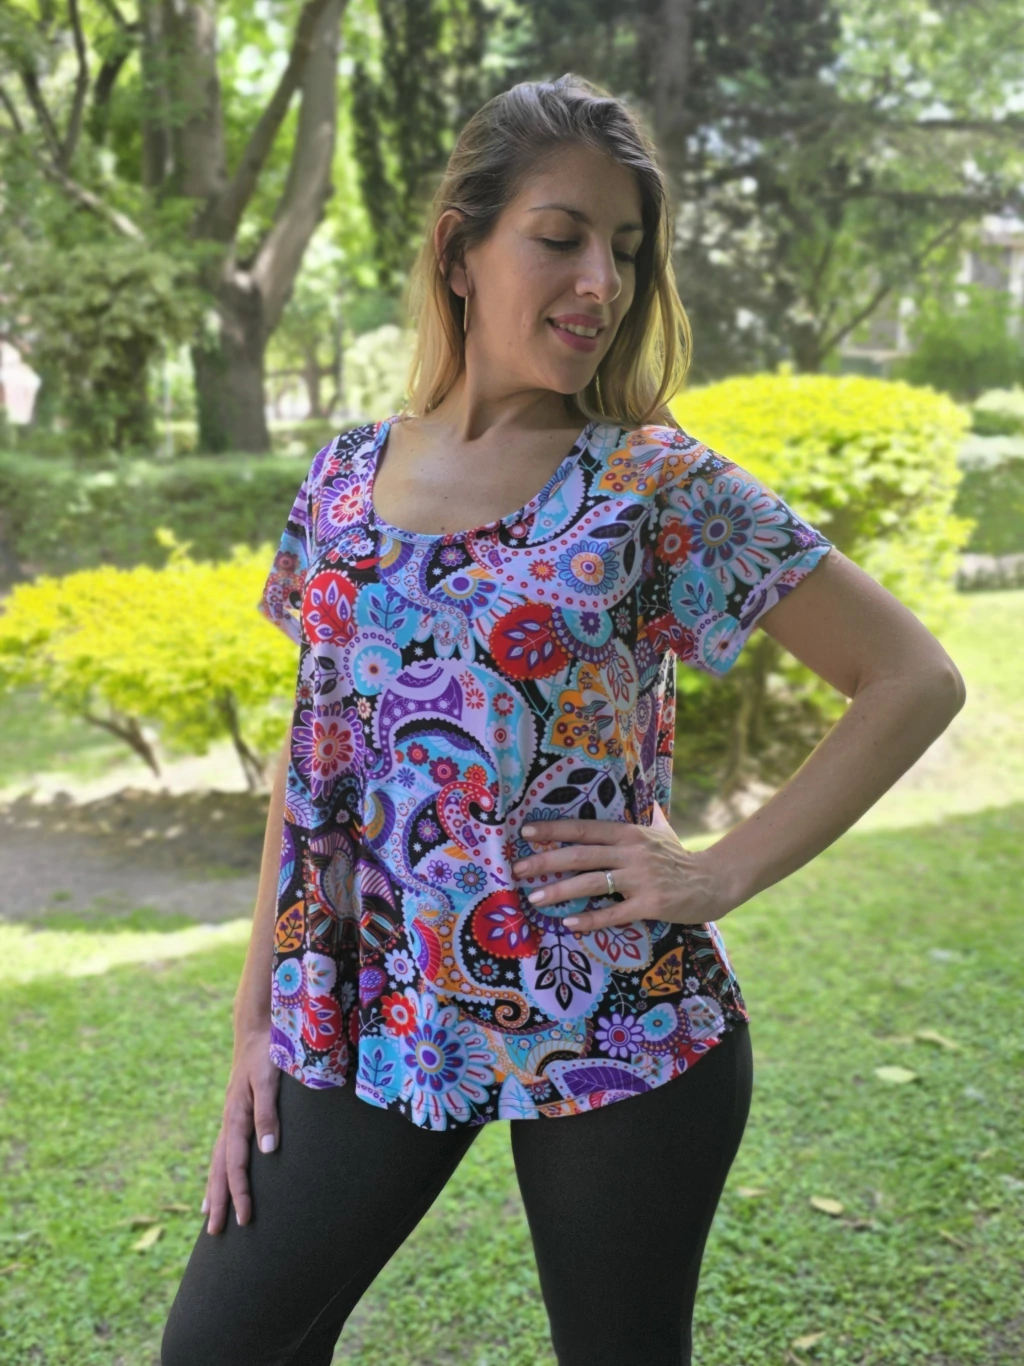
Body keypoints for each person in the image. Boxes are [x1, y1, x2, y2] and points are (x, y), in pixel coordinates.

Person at [161, 73, 966, 1366]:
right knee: (222, 1348)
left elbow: (914, 677)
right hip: (373, 1011)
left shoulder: (653, 478)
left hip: (619, 1021)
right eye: (561, 235)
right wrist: (257, 1021)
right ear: (459, 251)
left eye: (628, 251)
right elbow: (310, 772)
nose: (602, 281)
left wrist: (719, 871)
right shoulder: (341, 483)